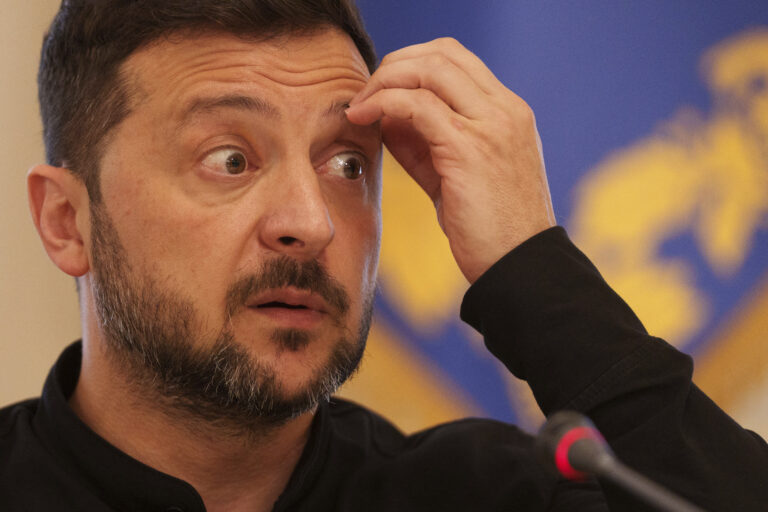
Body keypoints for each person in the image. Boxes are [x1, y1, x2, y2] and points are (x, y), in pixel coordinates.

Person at [1, 0, 766, 510]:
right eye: (230, 160)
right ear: (67, 222)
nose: (311, 223)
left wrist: (532, 266)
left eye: (346, 165)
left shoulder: (492, 494)